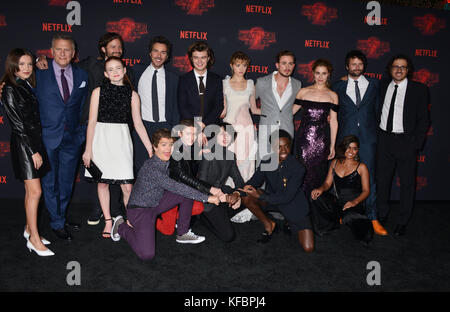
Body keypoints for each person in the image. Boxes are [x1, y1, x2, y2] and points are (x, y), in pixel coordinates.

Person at [36, 32, 137, 226]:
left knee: (75, 180)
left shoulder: (126, 72)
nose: (116, 50)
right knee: (95, 177)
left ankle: (111, 213)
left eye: (119, 47)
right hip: (87, 131)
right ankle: (66, 218)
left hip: (99, 132)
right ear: (103, 48)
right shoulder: (87, 66)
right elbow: (59, 62)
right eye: (112, 46)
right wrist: (40, 59)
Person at [110, 128, 220, 261]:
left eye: (171, 145)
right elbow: (175, 186)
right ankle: (121, 225)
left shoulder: (167, 160)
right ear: (154, 147)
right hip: (140, 211)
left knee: (186, 192)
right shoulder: (152, 168)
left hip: (156, 203)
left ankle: (182, 233)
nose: (168, 149)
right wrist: (208, 197)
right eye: (163, 145)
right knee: (147, 255)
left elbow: (182, 181)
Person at [82, 56, 153, 238]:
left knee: (127, 187)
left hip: (122, 141)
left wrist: (150, 148)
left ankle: (130, 221)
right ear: (106, 74)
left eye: (118, 68)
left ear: (124, 71)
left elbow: (138, 124)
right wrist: (88, 149)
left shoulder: (133, 95)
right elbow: (91, 122)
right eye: (110, 69)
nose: (115, 72)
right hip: (101, 140)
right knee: (103, 183)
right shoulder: (98, 92)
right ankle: (107, 220)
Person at [34, 34, 88, 241]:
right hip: (47, 137)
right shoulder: (39, 73)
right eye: (59, 49)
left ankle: (60, 216)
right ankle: (57, 222)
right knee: (50, 183)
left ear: (74, 54)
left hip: (72, 139)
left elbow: (83, 108)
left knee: (66, 183)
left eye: (67, 50)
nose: (63, 53)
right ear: (51, 51)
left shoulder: (82, 75)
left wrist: (81, 134)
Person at [0, 48, 53, 256]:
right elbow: (18, 125)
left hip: (32, 143)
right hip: (25, 146)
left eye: (29, 64)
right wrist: (33, 152)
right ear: (13, 65)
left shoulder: (24, 85)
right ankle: (34, 239)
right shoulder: (10, 88)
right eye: (22, 64)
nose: (27, 68)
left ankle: (29, 229)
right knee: (36, 192)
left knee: (30, 191)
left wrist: (41, 59)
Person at [332, 50, 387, 236]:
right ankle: (341, 212)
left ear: (364, 66)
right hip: (345, 138)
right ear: (347, 66)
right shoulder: (338, 86)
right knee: (342, 176)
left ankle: (373, 217)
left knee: (369, 176)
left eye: (359, 64)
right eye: (352, 64)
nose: (356, 67)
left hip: (368, 138)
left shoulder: (375, 84)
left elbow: (380, 110)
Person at [376, 54, 430, 236]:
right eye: (395, 66)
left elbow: (424, 120)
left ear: (408, 70)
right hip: (384, 140)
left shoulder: (419, 90)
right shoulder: (382, 86)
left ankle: (403, 221)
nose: (399, 70)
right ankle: (381, 215)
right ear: (390, 69)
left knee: (407, 184)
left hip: (406, 143)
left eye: (403, 67)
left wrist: (416, 143)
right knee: (382, 182)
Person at [239, 130, 314, 253]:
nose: (283, 150)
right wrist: (238, 193)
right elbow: (254, 181)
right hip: (272, 199)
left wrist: (261, 196)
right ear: (272, 147)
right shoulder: (267, 161)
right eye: (278, 147)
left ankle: (288, 221)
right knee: (247, 196)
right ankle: (269, 225)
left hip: (292, 204)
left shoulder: (297, 167)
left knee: (308, 248)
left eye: (286, 146)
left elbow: (287, 197)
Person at [220, 51, 260, 223]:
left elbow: (255, 109)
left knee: (246, 167)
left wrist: (281, 113)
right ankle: (228, 203)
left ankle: (245, 205)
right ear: (231, 65)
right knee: (230, 166)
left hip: (247, 131)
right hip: (229, 131)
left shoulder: (251, 84)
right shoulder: (224, 84)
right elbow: (222, 111)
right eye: (238, 65)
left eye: (244, 65)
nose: (241, 68)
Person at [311, 135, 374, 244]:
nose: (351, 151)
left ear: (358, 150)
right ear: (343, 148)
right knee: (315, 198)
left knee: (350, 219)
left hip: (354, 205)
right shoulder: (335, 162)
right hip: (338, 202)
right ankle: (328, 226)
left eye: (354, 148)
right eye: (348, 147)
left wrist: (354, 202)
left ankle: (357, 223)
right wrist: (320, 189)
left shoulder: (362, 167)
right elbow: (327, 183)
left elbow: (366, 191)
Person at [133, 36, 179, 172]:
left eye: (163, 52)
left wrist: (174, 131)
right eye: (155, 51)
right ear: (150, 53)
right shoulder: (136, 72)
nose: (159, 56)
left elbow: (176, 107)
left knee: (164, 170)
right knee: (141, 169)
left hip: (165, 127)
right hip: (142, 127)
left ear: (167, 55)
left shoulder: (173, 78)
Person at [293, 58, 338, 197]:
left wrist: (332, 146)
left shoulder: (333, 96)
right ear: (313, 73)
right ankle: (300, 208)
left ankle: (315, 209)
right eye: (317, 73)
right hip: (303, 140)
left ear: (329, 74)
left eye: (324, 73)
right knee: (302, 173)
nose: (320, 77)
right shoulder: (303, 92)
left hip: (322, 140)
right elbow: (290, 112)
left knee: (318, 173)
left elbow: (334, 121)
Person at [197, 122, 246, 242]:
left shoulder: (230, 155)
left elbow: (240, 182)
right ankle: (202, 219)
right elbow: (200, 184)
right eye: (221, 134)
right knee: (228, 237)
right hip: (205, 198)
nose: (225, 137)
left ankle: (219, 216)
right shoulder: (207, 152)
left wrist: (237, 196)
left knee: (247, 197)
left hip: (220, 194)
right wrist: (220, 196)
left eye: (228, 134)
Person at [255, 50, 301, 161]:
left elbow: (301, 102)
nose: (287, 67)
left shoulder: (297, 84)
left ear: (294, 66)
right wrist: (264, 113)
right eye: (284, 63)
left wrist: (288, 113)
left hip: (287, 130)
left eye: (290, 63)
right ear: (277, 65)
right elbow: (249, 102)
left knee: (284, 166)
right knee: (263, 164)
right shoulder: (262, 82)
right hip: (266, 129)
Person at [177, 41, 223, 129]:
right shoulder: (183, 80)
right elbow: (182, 107)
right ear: (191, 59)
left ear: (208, 58)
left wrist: (204, 124)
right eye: (196, 57)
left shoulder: (217, 80)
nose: (199, 61)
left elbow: (218, 107)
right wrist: (195, 126)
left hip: (211, 128)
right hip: (189, 130)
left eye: (203, 57)